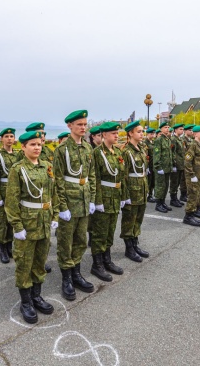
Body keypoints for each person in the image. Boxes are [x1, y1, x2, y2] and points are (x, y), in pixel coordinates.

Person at [5, 131, 59, 324]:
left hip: (44, 222)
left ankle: (37, 296)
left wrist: (55, 215)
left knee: (39, 261)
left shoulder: (47, 166)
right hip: (27, 224)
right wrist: (17, 226)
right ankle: (26, 302)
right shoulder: (18, 169)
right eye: (32, 144)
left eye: (39, 144)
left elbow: (53, 193)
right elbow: (11, 201)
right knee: (24, 263)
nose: (37, 147)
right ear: (23, 147)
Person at [53, 110, 96, 301]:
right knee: (65, 242)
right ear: (70, 126)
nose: (83, 127)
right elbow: (58, 181)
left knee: (80, 240)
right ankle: (67, 278)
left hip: (84, 201)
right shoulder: (62, 150)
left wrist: (92, 199)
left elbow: (91, 175)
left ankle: (76, 274)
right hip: (69, 203)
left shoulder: (87, 148)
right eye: (79, 124)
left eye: (85, 124)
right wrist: (62, 207)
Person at [90, 122, 128, 281]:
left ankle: (107, 260)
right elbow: (95, 178)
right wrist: (97, 201)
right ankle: (97, 264)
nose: (116, 135)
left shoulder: (117, 151)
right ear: (104, 135)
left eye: (117, 133)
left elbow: (122, 176)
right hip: (104, 198)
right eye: (113, 133)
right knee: (99, 232)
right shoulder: (97, 153)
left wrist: (124, 196)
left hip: (115, 196)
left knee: (110, 231)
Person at [17, 122, 54, 273]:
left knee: (44, 242)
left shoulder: (48, 154)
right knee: (27, 246)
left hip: (44, 206)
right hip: (29, 204)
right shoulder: (20, 160)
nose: (42, 137)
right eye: (34, 143)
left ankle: (41, 262)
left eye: (43, 134)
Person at [120, 121, 149, 262]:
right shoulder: (126, 152)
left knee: (138, 218)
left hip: (141, 188)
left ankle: (135, 243)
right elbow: (123, 176)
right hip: (131, 191)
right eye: (139, 131)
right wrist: (125, 195)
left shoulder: (141, 149)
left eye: (142, 131)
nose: (142, 134)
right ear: (130, 133)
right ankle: (129, 248)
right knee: (129, 220)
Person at [0, 127, 18, 264]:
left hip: (15, 193)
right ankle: (2, 249)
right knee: (2, 223)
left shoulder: (18, 155)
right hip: (3, 192)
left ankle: (9, 247)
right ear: (2, 139)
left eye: (11, 136)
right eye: (6, 136)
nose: (9, 139)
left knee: (12, 221)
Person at [182, 125, 200, 226]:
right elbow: (187, 162)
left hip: (199, 175)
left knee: (198, 194)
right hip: (193, 176)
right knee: (192, 196)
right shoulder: (192, 145)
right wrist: (191, 175)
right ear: (195, 134)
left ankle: (195, 212)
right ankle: (188, 216)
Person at [153, 122, 174, 213]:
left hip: (167, 167)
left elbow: (170, 154)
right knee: (160, 186)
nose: (167, 129)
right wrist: (158, 167)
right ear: (161, 129)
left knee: (165, 186)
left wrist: (171, 165)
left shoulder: (168, 139)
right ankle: (158, 204)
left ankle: (163, 202)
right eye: (165, 127)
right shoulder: (159, 140)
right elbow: (157, 154)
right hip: (161, 168)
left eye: (168, 127)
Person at [169, 123, 185, 208]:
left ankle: (175, 198)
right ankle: (173, 199)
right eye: (180, 129)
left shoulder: (180, 139)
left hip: (181, 164)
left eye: (182, 129)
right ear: (175, 130)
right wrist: (173, 164)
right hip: (176, 164)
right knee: (174, 182)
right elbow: (172, 152)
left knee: (178, 181)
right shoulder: (173, 139)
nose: (182, 131)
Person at [179, 124, 195, 202]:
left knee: (188, 179)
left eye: (192, 130)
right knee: (183, 179)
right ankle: (183, 195)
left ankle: (186, 194)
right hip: (185, 161)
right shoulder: (182, 140)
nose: (191, 131)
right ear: (185, 131)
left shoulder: (191, 139)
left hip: (190, 162)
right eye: (189, 130)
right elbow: (184, 152)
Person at [143, 128, 157, 203]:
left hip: (154, 165)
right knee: (149, 181)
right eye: (151, 134)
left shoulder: (153, 142)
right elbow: (145, 156)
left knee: (153, 181)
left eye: (153, 134)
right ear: (147, 134)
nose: (153, 135)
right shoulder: (145, 143)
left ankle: (151, 195)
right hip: (149, 165)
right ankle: (147, 195)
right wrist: (147, 167)